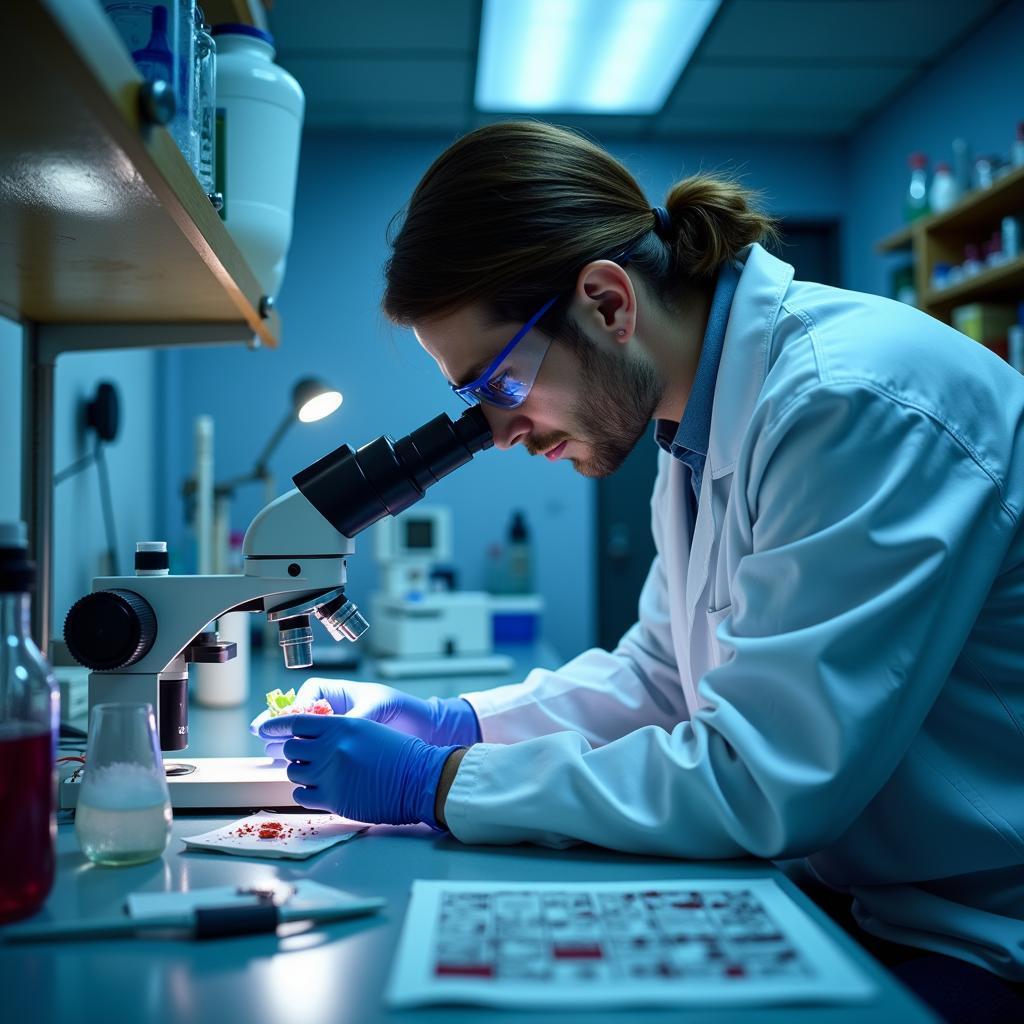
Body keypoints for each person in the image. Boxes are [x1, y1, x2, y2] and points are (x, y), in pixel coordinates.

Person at [253, 121, 1024, 1018]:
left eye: (498, 385)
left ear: (608, 302)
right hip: (857, 899)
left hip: (975, 932)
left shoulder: (850, 405)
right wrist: (455, 722)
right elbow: (662, 677)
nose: (499, 432)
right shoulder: (695, 428)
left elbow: (763, 780)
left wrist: (435, 783)